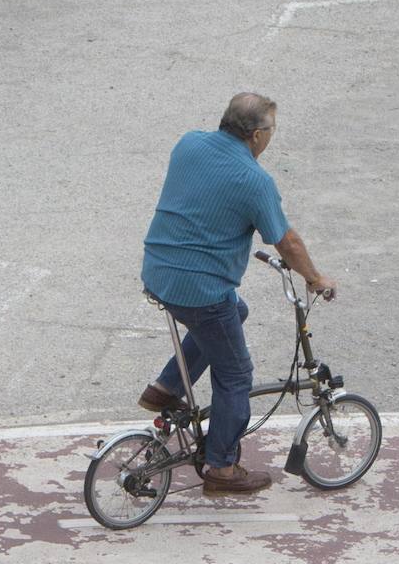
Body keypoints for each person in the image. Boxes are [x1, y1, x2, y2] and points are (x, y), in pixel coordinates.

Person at [140, 92, 337, 495]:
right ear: (256, 136)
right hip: (201, 290)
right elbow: (288, 243)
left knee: (235, 311)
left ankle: (164, 389)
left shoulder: (189, 142)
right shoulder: (254, 180)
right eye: (271, 130)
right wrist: (315, 278)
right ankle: (221, 468)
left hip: (160, 272)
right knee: (235, 375)